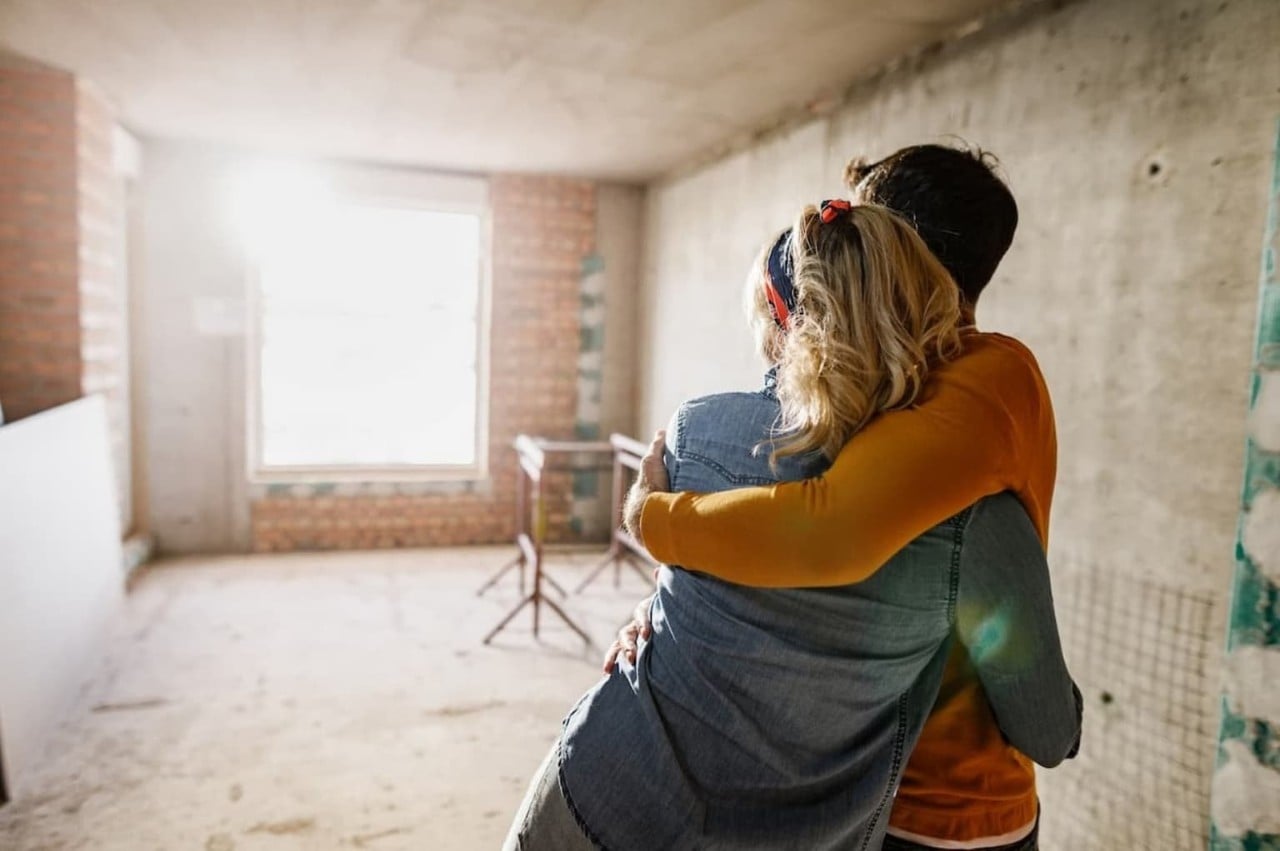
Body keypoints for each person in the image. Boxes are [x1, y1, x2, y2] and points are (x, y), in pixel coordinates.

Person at [503, 197, 1080, 850]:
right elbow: (1046, 728)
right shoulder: (972, 506)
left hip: (604, 790)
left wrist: (652, 534)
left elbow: (785, 539)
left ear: (785, 320)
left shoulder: (696, 432)